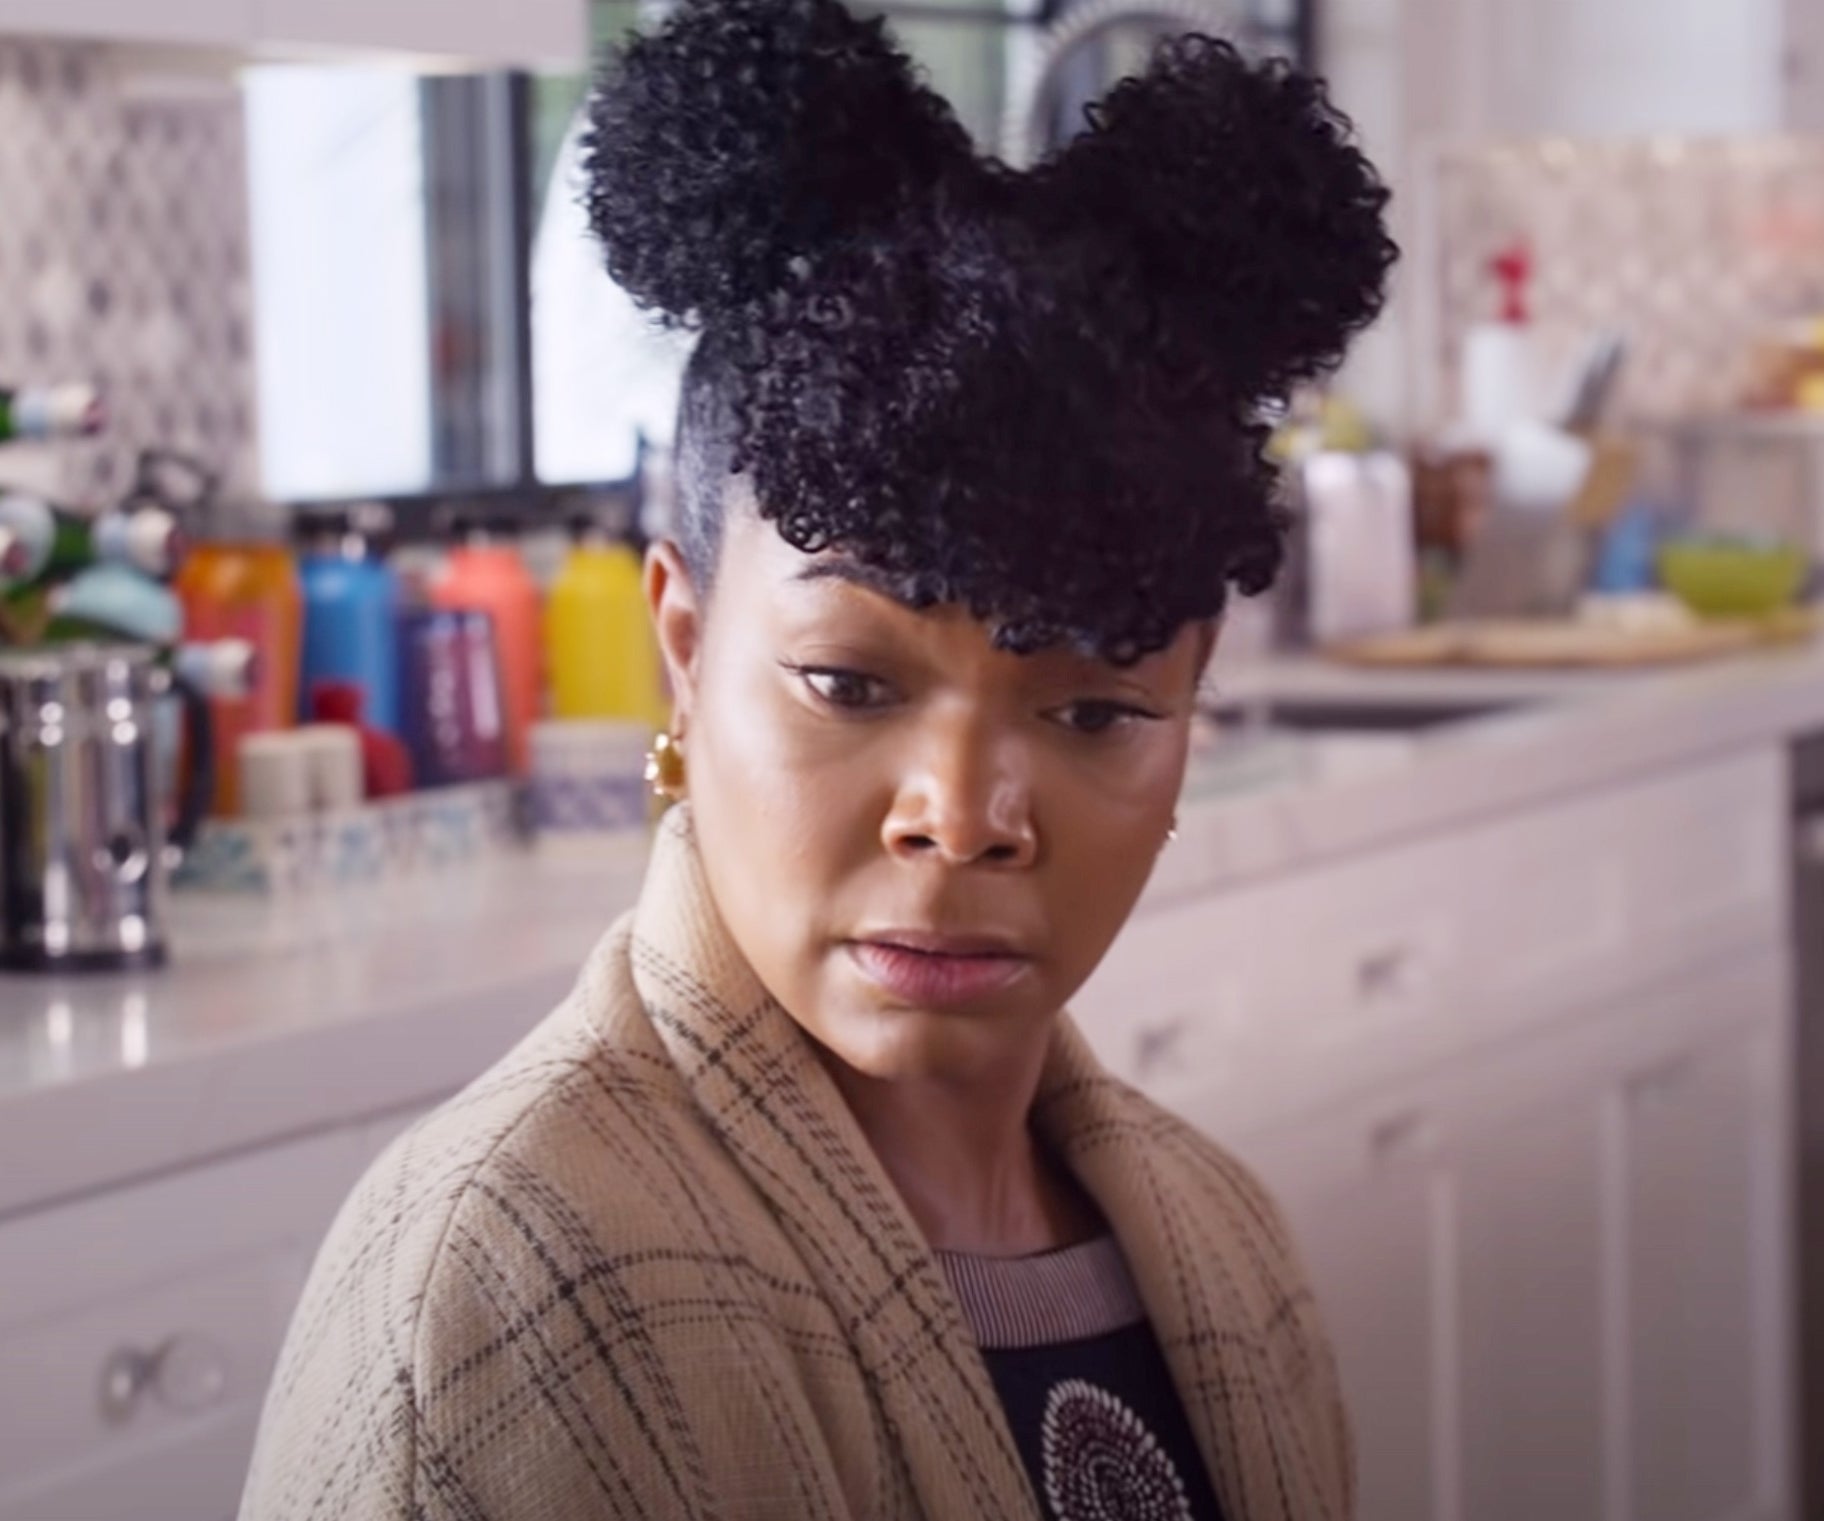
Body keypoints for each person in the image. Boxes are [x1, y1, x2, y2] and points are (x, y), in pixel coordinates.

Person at [239, 1, 1395, 1517]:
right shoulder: (510, 1289)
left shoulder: (1225, 1245)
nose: (962, 817)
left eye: (1097, 712)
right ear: (685, 641)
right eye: (849, 682)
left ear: (1192, 696)